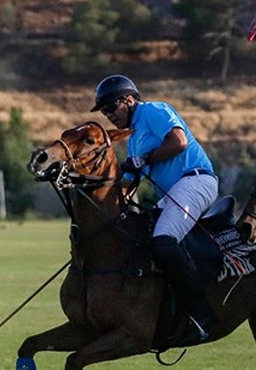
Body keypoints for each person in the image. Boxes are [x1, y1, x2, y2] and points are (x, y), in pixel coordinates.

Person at [91, 74, 219, 343]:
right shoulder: (135, 138)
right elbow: (128, 184)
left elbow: (178, 141)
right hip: (174, 192)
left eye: (111, 107)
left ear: (129, 99)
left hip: (195, 180)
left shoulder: (152, 110)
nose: (109, 115)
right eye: (104, 111)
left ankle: (202, 315)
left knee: (163, 241)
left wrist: (143, 159)